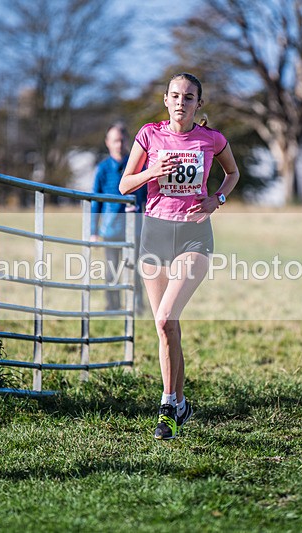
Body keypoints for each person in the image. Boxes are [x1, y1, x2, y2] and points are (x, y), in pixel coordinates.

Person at [119, 73, 240, 440]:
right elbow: (125, 184)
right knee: (165, 326)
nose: (181, 102)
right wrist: (152, 171)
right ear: (166, 100)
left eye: (189, 97)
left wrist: (216, 199)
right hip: (154, 233)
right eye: (175, 96)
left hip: (193, 235)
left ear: (198, 104)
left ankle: (167, 404)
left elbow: (232, 173)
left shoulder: (212, 139)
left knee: (168, 316)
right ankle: (181, 404)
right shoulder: (148, 135)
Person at [91, 122, 147, 312]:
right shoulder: (103, 169)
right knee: (111, 271)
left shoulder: (139, 166)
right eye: (115, 140)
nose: (118, 144)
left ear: (127, 141)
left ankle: (138, 305)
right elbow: (95, 201)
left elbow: (147, 198)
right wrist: (93, 231)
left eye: (122, 140)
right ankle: (112, 305)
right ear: (108, 143)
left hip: (135, 228)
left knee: (137, 270)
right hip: (110, 229)